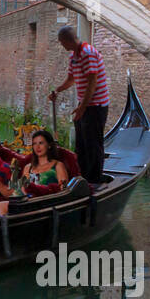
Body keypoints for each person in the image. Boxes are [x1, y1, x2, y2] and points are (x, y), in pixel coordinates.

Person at [49, 26, 110, 184]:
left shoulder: (87, 53)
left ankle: (94, 179)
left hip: (96, 105)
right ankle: (82, 176)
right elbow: (71, 80)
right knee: (81, 144)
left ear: (69, 40)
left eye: (62, 42)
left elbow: (92, 83)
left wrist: (82, 108)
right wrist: (57, 90)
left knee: (93, 144)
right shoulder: (73, 57)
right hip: (84, 105)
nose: (62, 45)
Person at [0, 129, 68, 215]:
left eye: (41, 143)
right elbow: (22, 190)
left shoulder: (58, 165)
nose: (37, 147)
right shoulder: (28, 167)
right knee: (1, 205)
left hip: (47, 204)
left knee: (3, 206)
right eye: (34, 144)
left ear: (49, 145)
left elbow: (63, 191)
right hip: (28, 202)